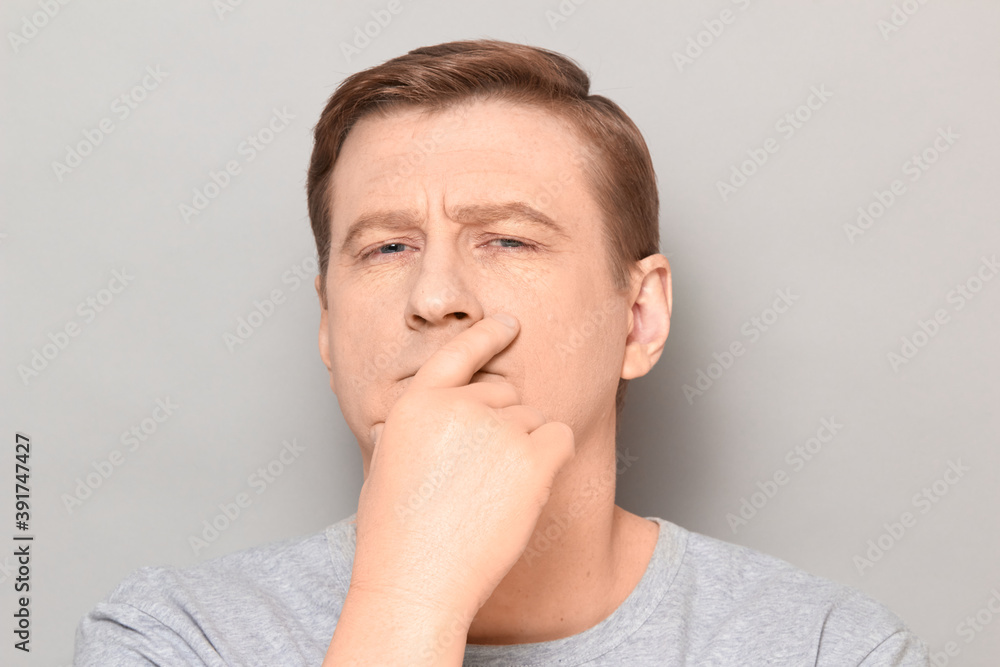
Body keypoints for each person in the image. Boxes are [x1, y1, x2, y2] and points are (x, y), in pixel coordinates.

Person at [74, 39, 930, 666]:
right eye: (385, 249)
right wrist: (412, 596)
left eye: (510, 241)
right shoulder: (170, 638)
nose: (436, 295)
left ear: (640, 317)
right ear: (328, 327)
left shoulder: (829, 649)